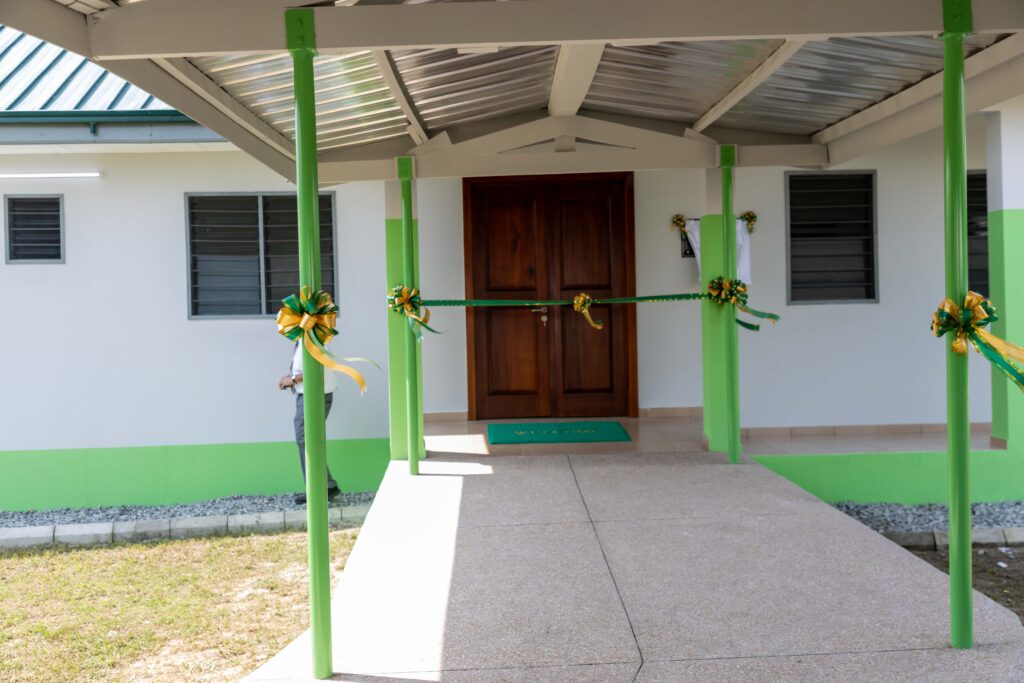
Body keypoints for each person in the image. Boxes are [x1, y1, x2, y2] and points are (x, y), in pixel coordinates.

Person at [279, 342, 341, 505]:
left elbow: (314, 370)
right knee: (307, 440)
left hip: (315, 396)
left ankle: (321, 488)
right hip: (310, 395)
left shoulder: (313, 338)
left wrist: (291, 379)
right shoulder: (304, 338)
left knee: (305, 439)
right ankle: (324, 486)